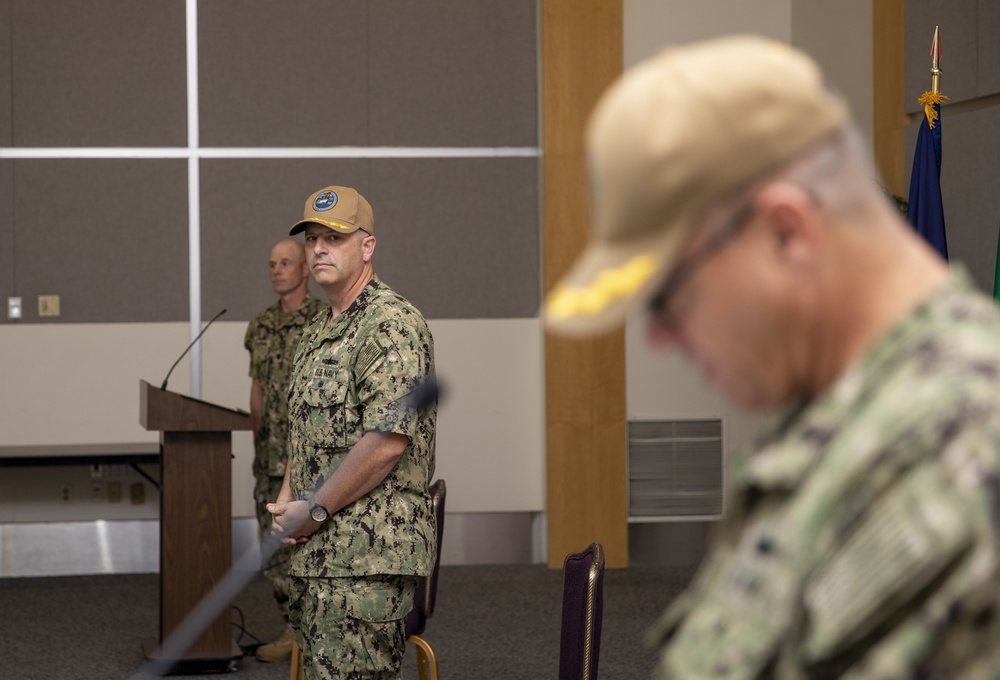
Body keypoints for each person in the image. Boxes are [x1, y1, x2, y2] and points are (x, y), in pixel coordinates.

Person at [544, 35, 1000, 678]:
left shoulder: (951, 441)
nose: (664, 339)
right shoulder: (851, 413)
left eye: (674, 293)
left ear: (786, 232)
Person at [267, 185, 437, 680]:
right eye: (313, 238)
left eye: (335, 238)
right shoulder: (319, 329)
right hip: (318, 557)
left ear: (367, 247)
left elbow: (387, 442)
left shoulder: (391, 325)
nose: (319, 248)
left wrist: (315, 508)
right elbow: (304, 431)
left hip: (364, 562)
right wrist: (286, 504)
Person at [243, 239, 325, 662]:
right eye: (271, 264)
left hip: (309, 458)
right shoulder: (259, 326)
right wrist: (258, 442)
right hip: (269, 455)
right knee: (274, 552)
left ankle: (314, 631)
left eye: (286, 263)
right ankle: (294, 629)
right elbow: (257, 392)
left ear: (305, 269)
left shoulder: (323, 320)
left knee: (310, 545)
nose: (277, 270)